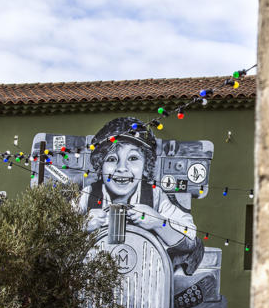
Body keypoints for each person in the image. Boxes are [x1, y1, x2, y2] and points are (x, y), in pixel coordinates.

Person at [79, 117, 204, 274]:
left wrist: (159, 223)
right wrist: (82, 225)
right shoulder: (89, 194)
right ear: (100, 165)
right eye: (111, 159)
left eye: (133, 158)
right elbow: (55, 233)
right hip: (99, 276)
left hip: (144, 275)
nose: (122, 168)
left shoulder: (154, 195)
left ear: (146, 166)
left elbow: (191, 239)